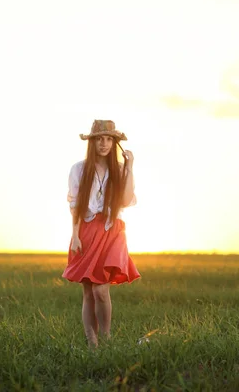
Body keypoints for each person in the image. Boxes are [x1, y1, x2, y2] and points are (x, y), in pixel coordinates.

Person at [62, 119, 141, 349]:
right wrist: (75, 235)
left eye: (108, 139)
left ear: (114, 142)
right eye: (99, 139)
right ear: (92, 142)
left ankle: (106, 339)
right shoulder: (78, 169)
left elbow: (126, 200)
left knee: (101, 290)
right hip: (86, 231)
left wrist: (130, 167)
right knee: (88, 291)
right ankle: (92, 343)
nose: (104, 144)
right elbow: (76, 207)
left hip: (112, 230)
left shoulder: (120, 169)